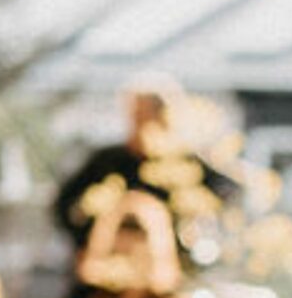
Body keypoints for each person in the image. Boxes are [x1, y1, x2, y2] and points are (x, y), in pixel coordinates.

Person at [49, 76, 237, 258]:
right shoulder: (108, 161)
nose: (139, 124)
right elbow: (65, 204)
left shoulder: (183, 162)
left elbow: (227, 192)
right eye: (135, 115)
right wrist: (86, 242)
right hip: (112, 267)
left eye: (145, 115)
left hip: (169, 266)